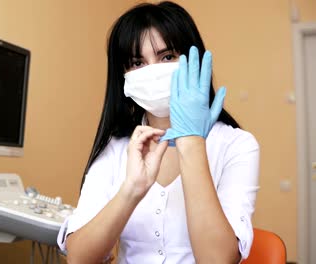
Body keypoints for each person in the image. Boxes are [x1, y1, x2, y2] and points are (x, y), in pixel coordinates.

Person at [57, 1, 260, 263]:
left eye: (167, 57)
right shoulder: (117, 148)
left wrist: (191, 142)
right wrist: (131, 189)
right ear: (123, 77)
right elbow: (79, 259)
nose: (153, 71)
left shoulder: (237, 145)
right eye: (137, 62)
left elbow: (218, 260)